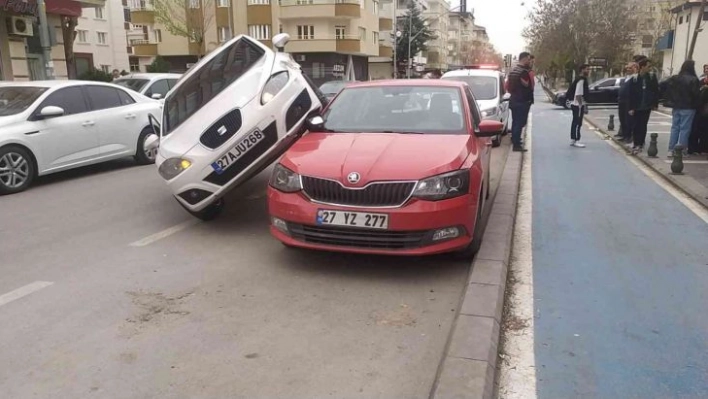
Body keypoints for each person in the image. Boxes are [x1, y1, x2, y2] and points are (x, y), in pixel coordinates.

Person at [661, 60, 700, 158]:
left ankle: (671, 149)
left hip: (676, 106)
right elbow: (696, 94)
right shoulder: (693, 79)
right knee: (685, 129)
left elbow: (662, 85)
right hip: (688, 107)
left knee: (675, 127)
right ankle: (681, 150)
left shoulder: (675, 78)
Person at [627, 58, 660, 155]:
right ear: (642, 67)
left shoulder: (651, 77)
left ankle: (640, 144)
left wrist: (655, 104)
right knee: (636, 125)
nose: (649, 68)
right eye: (648, 66)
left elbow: (656, 91)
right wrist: (631, 107)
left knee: (643, 125)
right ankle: (635, 142)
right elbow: (631, 93)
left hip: (646, 105)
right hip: (636, 105)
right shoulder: (635, 78)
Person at [507, 52, 534, 152]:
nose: (529, 61)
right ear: (523, 59)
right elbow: (526, 85)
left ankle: (515, 140)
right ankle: (516, 145)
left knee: (515, 121)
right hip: (521, 101)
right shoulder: (523, 72)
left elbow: (509, 86)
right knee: (520, 122)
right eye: (528, 59)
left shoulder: (513, 71)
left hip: (514, 99)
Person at [568, 64, 590, 148]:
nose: (588, 71)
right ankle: (577, 139)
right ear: (582, 70)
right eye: (587, 69)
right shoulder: (581, 80)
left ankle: (573, 139)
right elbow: (578, 95)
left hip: (575, 104)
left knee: (574, 122)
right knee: (578, 123)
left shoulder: (578, 79)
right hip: (578, 105)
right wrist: (582, 105)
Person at [617, 62, 638, 143]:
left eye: (630, 68)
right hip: (621, 101)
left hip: (629, 102)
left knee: (628, 120)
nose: (628, 70)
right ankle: (624, 135)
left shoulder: (635, 78)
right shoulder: (625, 78)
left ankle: (628, 136)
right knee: (622, 118)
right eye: (627, 68)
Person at [689, 72, 708, 154]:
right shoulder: (704, 88)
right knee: (702, 130)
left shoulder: (702, 86)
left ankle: (698, 148)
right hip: (703, 112)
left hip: (701, 111)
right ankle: (701, 148)